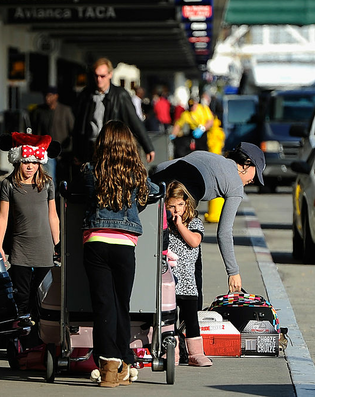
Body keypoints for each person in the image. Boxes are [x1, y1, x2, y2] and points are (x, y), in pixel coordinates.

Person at [81, 120, 160, 387]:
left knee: (103, 306)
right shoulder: (136, 174)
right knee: (121, 305)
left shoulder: (91, 171)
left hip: (96, 243)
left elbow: (80, 193)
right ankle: (124, 363)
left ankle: (109, 368)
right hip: (125, 246)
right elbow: (153, 192)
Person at [150, 142, 267, 307]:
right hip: (180, 206)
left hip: (156, 191)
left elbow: (161, 167)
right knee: (192, 262)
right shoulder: (235, 185)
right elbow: (224, 232)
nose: (253, 180)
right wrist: (233, 272)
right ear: (246, 164)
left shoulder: (207, 156)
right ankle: (192, 316)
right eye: (255, 174)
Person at [0, 132, 60, 331]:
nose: (30, 166)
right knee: (21, 295)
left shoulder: (47, 183)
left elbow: (53, 215)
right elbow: (3, 217)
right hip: (20, 248)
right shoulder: (8, 185)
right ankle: (20, 334)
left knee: (42, 296)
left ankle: (39, 336)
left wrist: (57, 244)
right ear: (17, 162)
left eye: (34, 162)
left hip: (44, 248)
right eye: (25, 162)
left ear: (40, 162)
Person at [72, 58, 155, 171]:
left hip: (111, 149)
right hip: (89, 149)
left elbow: (134, 121)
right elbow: (78, 125)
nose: (99, 79)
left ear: (110, 74)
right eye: (96, 76)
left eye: (102, 76)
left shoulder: (120, 95)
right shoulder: (86, 95)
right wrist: (76, 151)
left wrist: (148, 147)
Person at [165, 181, 212, 367]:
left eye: (180, 204)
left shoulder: (194, 223)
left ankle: (196, 353)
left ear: (187, 204)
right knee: (169, 320)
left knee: (191, 320)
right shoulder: (164, 226)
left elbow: (194, 241)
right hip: (169, 281)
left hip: (188, 283)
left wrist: (180, 226)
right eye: (171, 206)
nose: (176, 210)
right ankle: (172, 352)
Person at [30, 86, 74, 186]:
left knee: (63, 178)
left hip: (63, 151)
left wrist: (69, 146)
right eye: (45, 96)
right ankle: (51, 194)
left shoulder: (65, 111)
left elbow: (72, 130)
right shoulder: (40, 112)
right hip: (47, 151)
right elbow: (36, 130)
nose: (47, 98)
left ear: (56, 96)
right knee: (49, 178)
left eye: (50, 95)